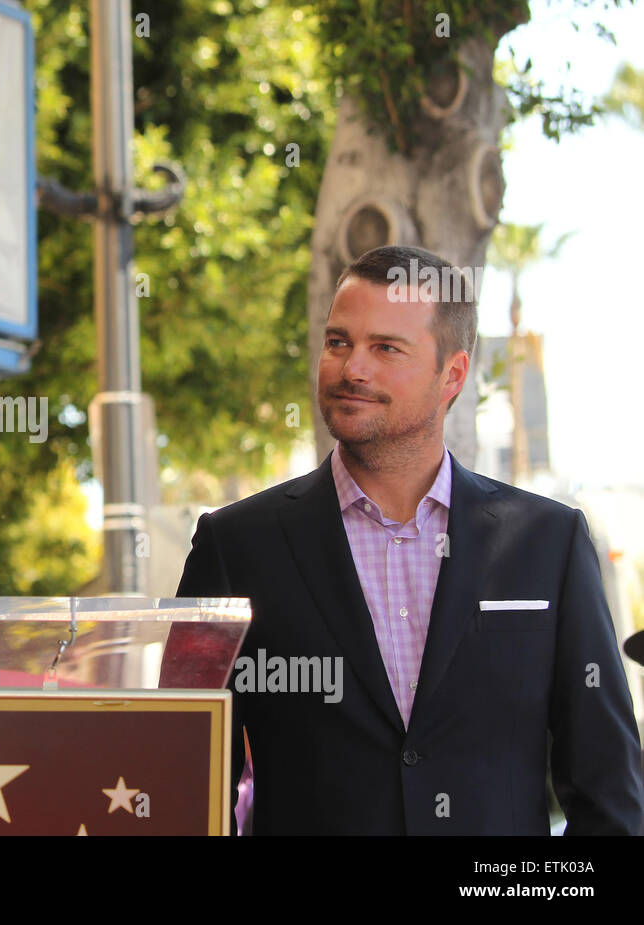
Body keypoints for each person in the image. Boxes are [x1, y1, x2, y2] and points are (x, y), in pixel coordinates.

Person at [161, 245, 644, 835]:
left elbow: (610, 791)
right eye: (339, 342)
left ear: (453, 375)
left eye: (385, 348)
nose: (352, 368)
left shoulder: (549, 541)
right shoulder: (234, 547)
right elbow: (184, 788)